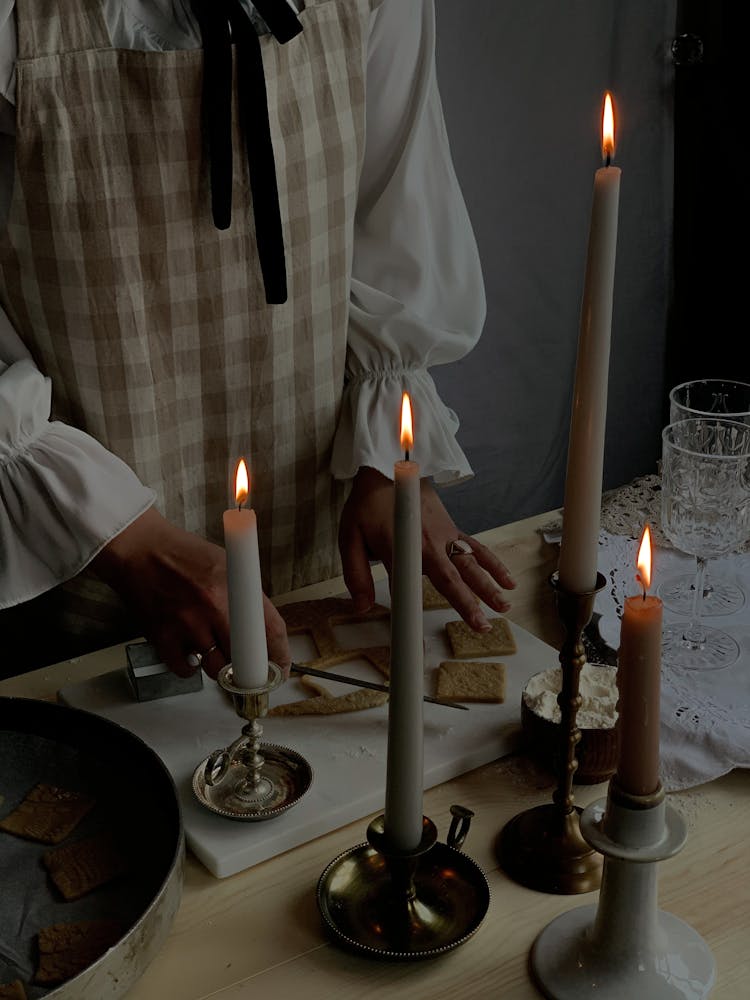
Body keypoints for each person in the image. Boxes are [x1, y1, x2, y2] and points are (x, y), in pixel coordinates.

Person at [0, 0, 515, 680]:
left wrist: (387, 458)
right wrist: (125, 537)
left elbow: (387, 212)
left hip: (312, 542)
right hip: (74, 570)